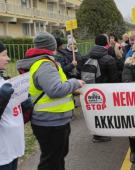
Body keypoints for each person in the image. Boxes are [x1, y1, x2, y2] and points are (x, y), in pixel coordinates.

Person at [16, 32, 85, 170]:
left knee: (57, 157)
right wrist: (74, 82)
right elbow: (55, 90)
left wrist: (70, 88)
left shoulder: (44, 62)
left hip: (54, 120)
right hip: (50, 121)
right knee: (51, 161)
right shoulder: (45, 64)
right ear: (51, 46)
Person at [86, 34, 119, 142]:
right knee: (105, 111)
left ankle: (97, 134)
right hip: (105, 90)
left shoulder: (86, 56)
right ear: (107, 43)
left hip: (90, 90)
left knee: (95, 112)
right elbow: (114, 78)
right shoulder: (109, 59)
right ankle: (101, 133)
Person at [0, 42, 24, 170]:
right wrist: (2, 99)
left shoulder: (4, 80)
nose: (8, 59)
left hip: (13, 148)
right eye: (4, 55)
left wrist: (24, 104)